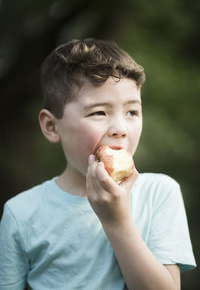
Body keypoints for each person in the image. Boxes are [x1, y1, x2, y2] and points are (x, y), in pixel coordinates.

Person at [0, 38, 196, 290]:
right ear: (52, 126)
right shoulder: (21, 213)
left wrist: (116, 221)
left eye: (132, 112)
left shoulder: (159, 193)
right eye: (99, 112)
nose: (120, 129)